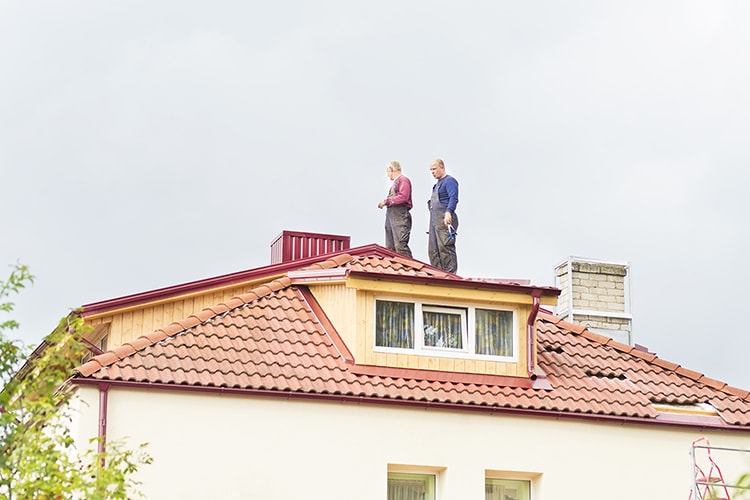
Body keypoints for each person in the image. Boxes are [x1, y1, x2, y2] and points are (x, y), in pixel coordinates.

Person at [427, 158, 459, 273]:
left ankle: (451, 276)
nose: (432, 172)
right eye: (431, 170)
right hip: (434, 223)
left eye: (434, 169)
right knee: (433, 251)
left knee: (445, 248)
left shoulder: (449, 181)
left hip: (444, 220)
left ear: (442, 167)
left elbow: (453, 198)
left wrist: (448, 212)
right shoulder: (436, 185)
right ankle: (438, 276)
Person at [378, 161, 413, 257]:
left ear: (391, 170)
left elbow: (403, 197)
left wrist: (387, 201)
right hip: (391, 218)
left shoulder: (403, 180)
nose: (388, 175)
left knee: (400, 247)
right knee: (390, 248)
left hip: (400, 218)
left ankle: (410, 268)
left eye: (388, 172)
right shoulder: (395, 183)